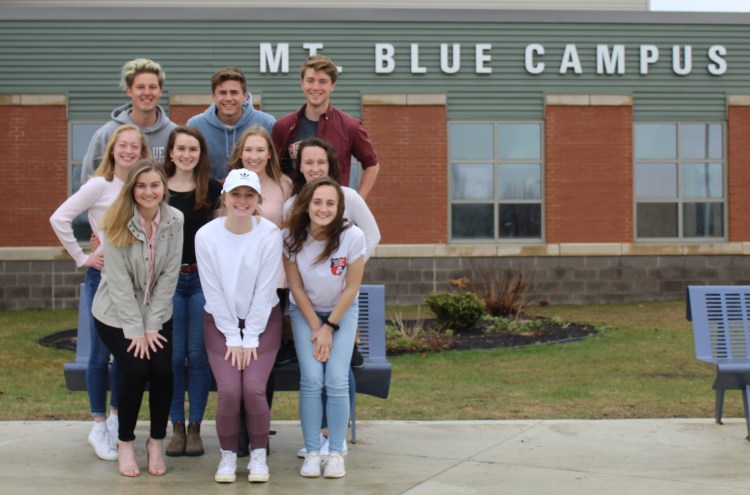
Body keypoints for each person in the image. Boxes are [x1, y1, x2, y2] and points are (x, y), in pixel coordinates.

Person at [50, 124, 150, 461]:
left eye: (134, 146)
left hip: (135, 283)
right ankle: (97, 424)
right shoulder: (99, 184)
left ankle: (116, 419)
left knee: (125, 355)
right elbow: (59, 218)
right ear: (112, 149)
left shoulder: (143, 185)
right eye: (122, 145)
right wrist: (82, 257)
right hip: (102, 279)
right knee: (98, 355)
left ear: (142, 151)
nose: (128, 151)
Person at [283, 136, 380, 459]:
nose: (314, 167)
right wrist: (317, 326)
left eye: (320, 162)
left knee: (337, 376)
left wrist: (350, 263)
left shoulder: (350, 212)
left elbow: (365, 250)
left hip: (341, 304)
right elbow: (296, 285)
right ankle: (315, 446)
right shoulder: (291, 219)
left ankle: (334, 443)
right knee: (313, 378)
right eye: (307, 162)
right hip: (307, 310)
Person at [92, 159, 184, 477]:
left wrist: (151, 325)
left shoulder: (175, 220)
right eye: (141, 185)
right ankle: (125, 441)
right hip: (115, 315)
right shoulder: (115, 222)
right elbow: (117, 284)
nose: (148, 191)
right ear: (132, 189)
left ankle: (156, 441)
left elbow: (170, 275)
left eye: (154, 185)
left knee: (162, 368)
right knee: (135, 368)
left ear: (163, 188)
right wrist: (135, 330)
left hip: (156, 314)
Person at [195, 168, 283, 484]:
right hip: (220, 325)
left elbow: (265, 288)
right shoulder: (206, 235)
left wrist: (250, 337)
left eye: (249, 195)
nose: (242, 201)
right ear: (225, 197)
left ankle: (258, 455)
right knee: (230, 390)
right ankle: (228, 457)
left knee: (254, 388)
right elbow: (212, 289)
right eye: (236, 194)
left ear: (258, 200)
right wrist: (233, 335)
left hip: (264, 322)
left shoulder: (271, 234)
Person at [163, 126, 222, 457]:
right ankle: (177, 427)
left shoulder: (213, 189)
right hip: (167, 283)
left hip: (201, 280)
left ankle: (197, 427)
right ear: (170, 152)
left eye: (193, 150)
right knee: (173, 357)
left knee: (198, 356)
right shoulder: (156, 188)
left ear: (201, 155)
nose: (186, 155)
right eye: (181, 149)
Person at [272, 55, 380, 199]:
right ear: (302, 83)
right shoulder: (283, 127)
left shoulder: (350, 126)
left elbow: (372, 165)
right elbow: (273, 169)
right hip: (296, 212)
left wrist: (356, 201)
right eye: (310, 81)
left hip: (334, 212)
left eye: (323, 82)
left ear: (332, 86)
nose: (316, 87)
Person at [80, 58, 177, 182]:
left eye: (152, 87)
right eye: (140, 87)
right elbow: (88, 179)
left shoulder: (174, 134)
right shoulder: (107, 134)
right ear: (129, 91)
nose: (147, 93)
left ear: (160, 91)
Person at [187, 67, 276, 180]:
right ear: (213, 96)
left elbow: (275, 168)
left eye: (234, 93)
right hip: (206, 196)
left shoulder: (267, 124)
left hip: (255, 194)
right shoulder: (195, 126)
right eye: (222, 93)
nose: (228, 98)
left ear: (244, 96)